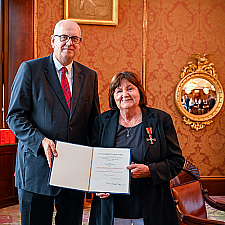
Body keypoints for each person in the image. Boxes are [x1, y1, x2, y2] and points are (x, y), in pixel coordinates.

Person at [6, 19, 100, 225]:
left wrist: (100, 167)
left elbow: (94, 124)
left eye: (75, 38)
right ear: (53, 40)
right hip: (37, 168)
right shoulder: (30, 69)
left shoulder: (90, 76)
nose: (69, 42)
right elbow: (14, 116)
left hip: (74, 171)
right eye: (64, 37)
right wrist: (41, 140)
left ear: (80, 42)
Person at [89, 71, 185, 225]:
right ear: (113, 97)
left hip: (151, 204)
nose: (124, 94)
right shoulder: (102, 122)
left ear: (139, 91)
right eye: (119, 91)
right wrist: (96, 187)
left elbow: (176, 161)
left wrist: (149, 171)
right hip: (111, 205)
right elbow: (91, 161)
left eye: (130, 88)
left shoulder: (160, 120)